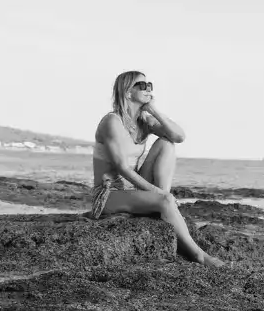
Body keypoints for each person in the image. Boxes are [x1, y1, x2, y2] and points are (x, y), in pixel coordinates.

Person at [92, 71, 223, 266]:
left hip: (133, 190)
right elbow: (122, 168)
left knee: (167, 144)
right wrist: (159, 193)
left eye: (150, 85)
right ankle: (199, 255)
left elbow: (178, 136)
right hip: (109, 194)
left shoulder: (143, 121)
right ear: (128, 93)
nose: (149, 89)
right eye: (142, 86)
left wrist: (154, 111)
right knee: (165, 199)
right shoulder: (112, 122)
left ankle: (161, 206)